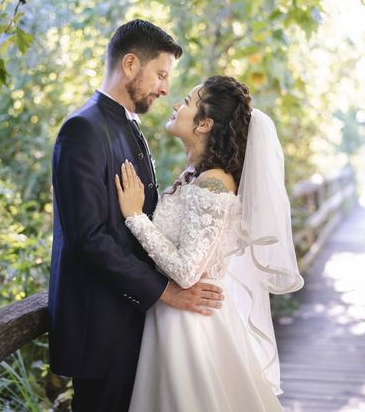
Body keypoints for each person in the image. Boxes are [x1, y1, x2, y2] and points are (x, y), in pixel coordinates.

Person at [48, 20, 225, 412]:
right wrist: (167, 292)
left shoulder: (130, 129)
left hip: (134, 322)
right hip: (100, 329)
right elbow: (88, 237)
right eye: (160, 74)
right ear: (130, 64)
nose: (164, 88)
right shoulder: (82, 129)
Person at [115, 76, 305, 411]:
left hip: (191, 326)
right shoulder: (195, 176)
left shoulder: (214, 183)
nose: (176, 105)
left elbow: (187, 272)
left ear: (204, 124)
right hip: (176, 317)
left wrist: (135, 216)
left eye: (186, 102)